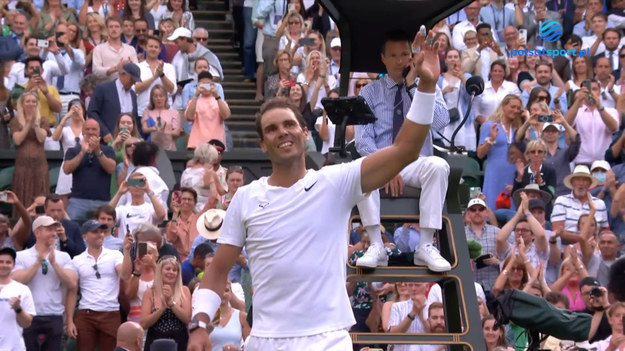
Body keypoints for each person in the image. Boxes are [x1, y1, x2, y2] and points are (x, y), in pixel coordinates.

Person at [188, 28, 443, 351]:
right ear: (262, 143)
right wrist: (199, 322)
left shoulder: (336, 182)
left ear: (304, 131)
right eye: (272, 129)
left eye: (289, 124)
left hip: (328, 340)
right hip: (266, 341)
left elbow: (406, 149)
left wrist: (428, 86)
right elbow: (218, 271)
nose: (283, 132)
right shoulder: (246, 197)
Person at [354, 29, 451, 272]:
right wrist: (387, 167)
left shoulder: (428, 85)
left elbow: (440, 122)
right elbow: (363, 142)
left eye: (405, 54)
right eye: (393, 55)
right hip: (382, 163)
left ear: (413, 56)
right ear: (383, 59)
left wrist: (414, 87)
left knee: (439, 166)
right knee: (360, 171)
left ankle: (426, 246)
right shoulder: (369, 91)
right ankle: (376, 245)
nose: (400, 61)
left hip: (417, 164)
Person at [13, 215, 77, 350]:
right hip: (28, 316)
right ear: (37, 232)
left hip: (54, 317)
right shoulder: (21, 256)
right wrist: (37, 262)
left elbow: (72, 284)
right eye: (49, 229)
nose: (54, 233)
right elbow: (18, 281)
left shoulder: (63, 257)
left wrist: (54, 263)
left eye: (55, 229)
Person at [67, 220, 133, 351]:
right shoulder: (77, 260)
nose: (100, 235)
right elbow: (72, 291)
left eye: (102, 231)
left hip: (110, 312)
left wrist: (126, 251)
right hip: (86, 312)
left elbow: (125, 275)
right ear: (85, 236)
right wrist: (69, 321)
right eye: (95, 232)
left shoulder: (114, 255)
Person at [63, 119, 117, 220]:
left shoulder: (108, 150)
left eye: (94, 129)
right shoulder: (73, 150)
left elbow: (111, 169)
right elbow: (66, 170)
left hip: (102, 201)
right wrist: (82, 152)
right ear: (82, 132)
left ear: (99, 132)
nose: (90, 132)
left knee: (102, 231)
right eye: (87, 129)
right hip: (77, 200)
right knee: (73, 230)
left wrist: (98, 151)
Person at [10, 91, 50, 210]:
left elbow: (41, 138)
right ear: (22, 104)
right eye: (28, 101)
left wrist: (35, 123)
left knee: (40, 194)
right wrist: (28, 124)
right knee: (23, 195)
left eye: (34, 101)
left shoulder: (43, 120)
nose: (31, 104)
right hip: (22, 166)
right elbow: (17, 140)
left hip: (40, 166)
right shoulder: (16, 121)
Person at [141, 255, 191, 351]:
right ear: (160, 272)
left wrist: (171, 303)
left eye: (174, 270)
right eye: (168, 269)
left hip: (179, 341)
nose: (171, 272)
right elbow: (144, 323)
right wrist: (162, 308)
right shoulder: (150, 292)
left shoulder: (184, 290)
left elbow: (186, 318)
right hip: (155, 340)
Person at [88, 63, 141, 143]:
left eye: (135, 81)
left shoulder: (133, 95)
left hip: (128, 143)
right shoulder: (103, 89)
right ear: (123, 74)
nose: (133, 83)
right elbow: (92, 112)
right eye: (132, 79)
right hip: (107, 141)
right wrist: (104, 132)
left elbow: (134, 118)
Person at [0, 247, 35, 351]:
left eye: (8, 262)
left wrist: (18, 308)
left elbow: (26, 323)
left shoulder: (22, 289)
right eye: (1, 262)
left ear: (13, 265)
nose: (4, 265)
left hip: (15, 347)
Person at [184, 71, 231, 149]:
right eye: (203, 84)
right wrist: (196, 95)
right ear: (198, 85)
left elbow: (226, 115)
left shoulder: (220, 102)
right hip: (197, 145)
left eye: (208, 84)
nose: (206, 87)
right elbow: (189, 117)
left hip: (217, 144)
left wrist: (217, 96)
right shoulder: (193, 102)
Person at [52, 100, 85, 204]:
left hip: (83, 165)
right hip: (67, 164)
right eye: (73, 109)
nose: (76, 112)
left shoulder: (86, 127)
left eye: (79, 108)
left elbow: (92, 135)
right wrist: (66, 117)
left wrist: (82, 117)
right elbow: (55, 137)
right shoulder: (65, 129)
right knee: (64, 196)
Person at [209, 281, 251, 351]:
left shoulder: (241, 317)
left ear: (231, 293)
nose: (223, 294)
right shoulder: (207, 316)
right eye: (220, 290)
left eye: (227, 290)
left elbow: (250, 347)